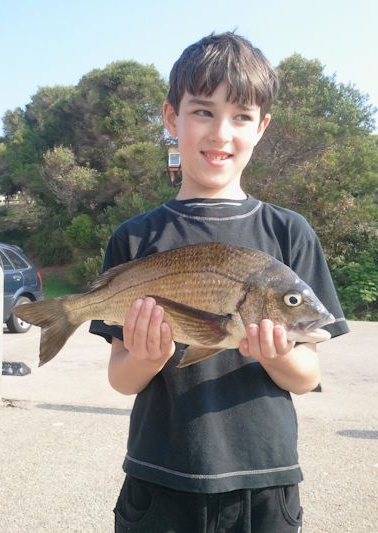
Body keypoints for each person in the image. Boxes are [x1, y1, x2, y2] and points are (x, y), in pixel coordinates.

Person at [90, 31, 349, 533]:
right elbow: (121, 379)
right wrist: (145, 356)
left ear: (262, 127)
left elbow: (307, 376)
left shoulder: (289, 232)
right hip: (159, 477)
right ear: (172, 118)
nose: (221, 133)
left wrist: (276, 354)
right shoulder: (135, 236)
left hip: (265, 481)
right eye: (203, 111)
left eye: (242, 116)